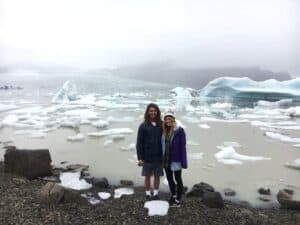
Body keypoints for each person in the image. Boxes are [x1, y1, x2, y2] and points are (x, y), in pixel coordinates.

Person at [136, 103, 163, 201]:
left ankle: (155, 193)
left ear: (157, 112)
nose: (153, 113)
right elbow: (139, 143)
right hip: (147, 156)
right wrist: (140, 158)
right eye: (151, 111)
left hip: (159, 156)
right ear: (147, 112)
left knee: (157, 176)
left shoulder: (161, 124)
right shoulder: (143, 126)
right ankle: (147, 193)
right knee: (147, 176)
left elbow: (168, 136)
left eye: (155, 111)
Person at [162, 111, 187, 207]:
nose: (167, 121)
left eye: (169, 119)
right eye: (166, 119)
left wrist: (184, 161)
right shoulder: (164, 131)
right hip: (166, 159)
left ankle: (178, 199)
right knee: (169, 179)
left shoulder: (179, 131)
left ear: (173, 120)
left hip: (176, 160)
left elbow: (183, 147)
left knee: (178, 179)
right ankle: (173, 195)